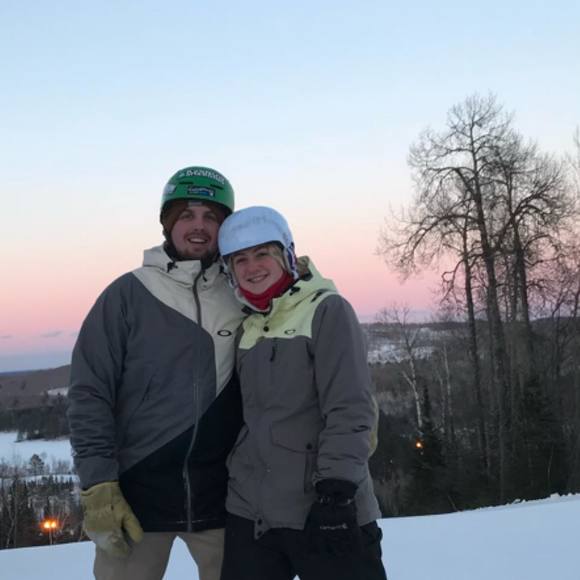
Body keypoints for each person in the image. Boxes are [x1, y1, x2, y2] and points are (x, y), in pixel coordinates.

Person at [67, 167, 245, 580]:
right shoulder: (128, 295)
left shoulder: (240, 293)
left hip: (224, 497)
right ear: (168, 223)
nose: (199, 226)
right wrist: (98, 483)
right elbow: (89, 392)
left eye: (211, 217)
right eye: (187, 215)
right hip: (135, 496)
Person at [217, 206, 388, 580]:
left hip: (322, 506)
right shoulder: (248, 326)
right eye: (240, 259)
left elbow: (350, 407)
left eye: (263, 253)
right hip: (253, 513)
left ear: (287, 255)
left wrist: (336, 492)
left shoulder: (326, 310)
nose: (252, 267)